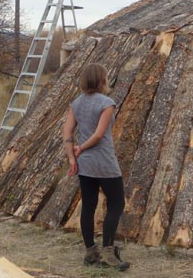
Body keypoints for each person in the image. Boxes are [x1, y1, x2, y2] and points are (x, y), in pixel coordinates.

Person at [63, 63, 130, 271]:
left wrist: (72, 158)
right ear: (102, 80)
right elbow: (100, 135)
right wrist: (80, 149)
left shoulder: (76, 103)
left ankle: (91, 252)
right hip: (103, 161)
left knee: (89, 205)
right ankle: (108, 254)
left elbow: (67, 132)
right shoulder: (106, 103)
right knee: (117, 203)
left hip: (85, 165)